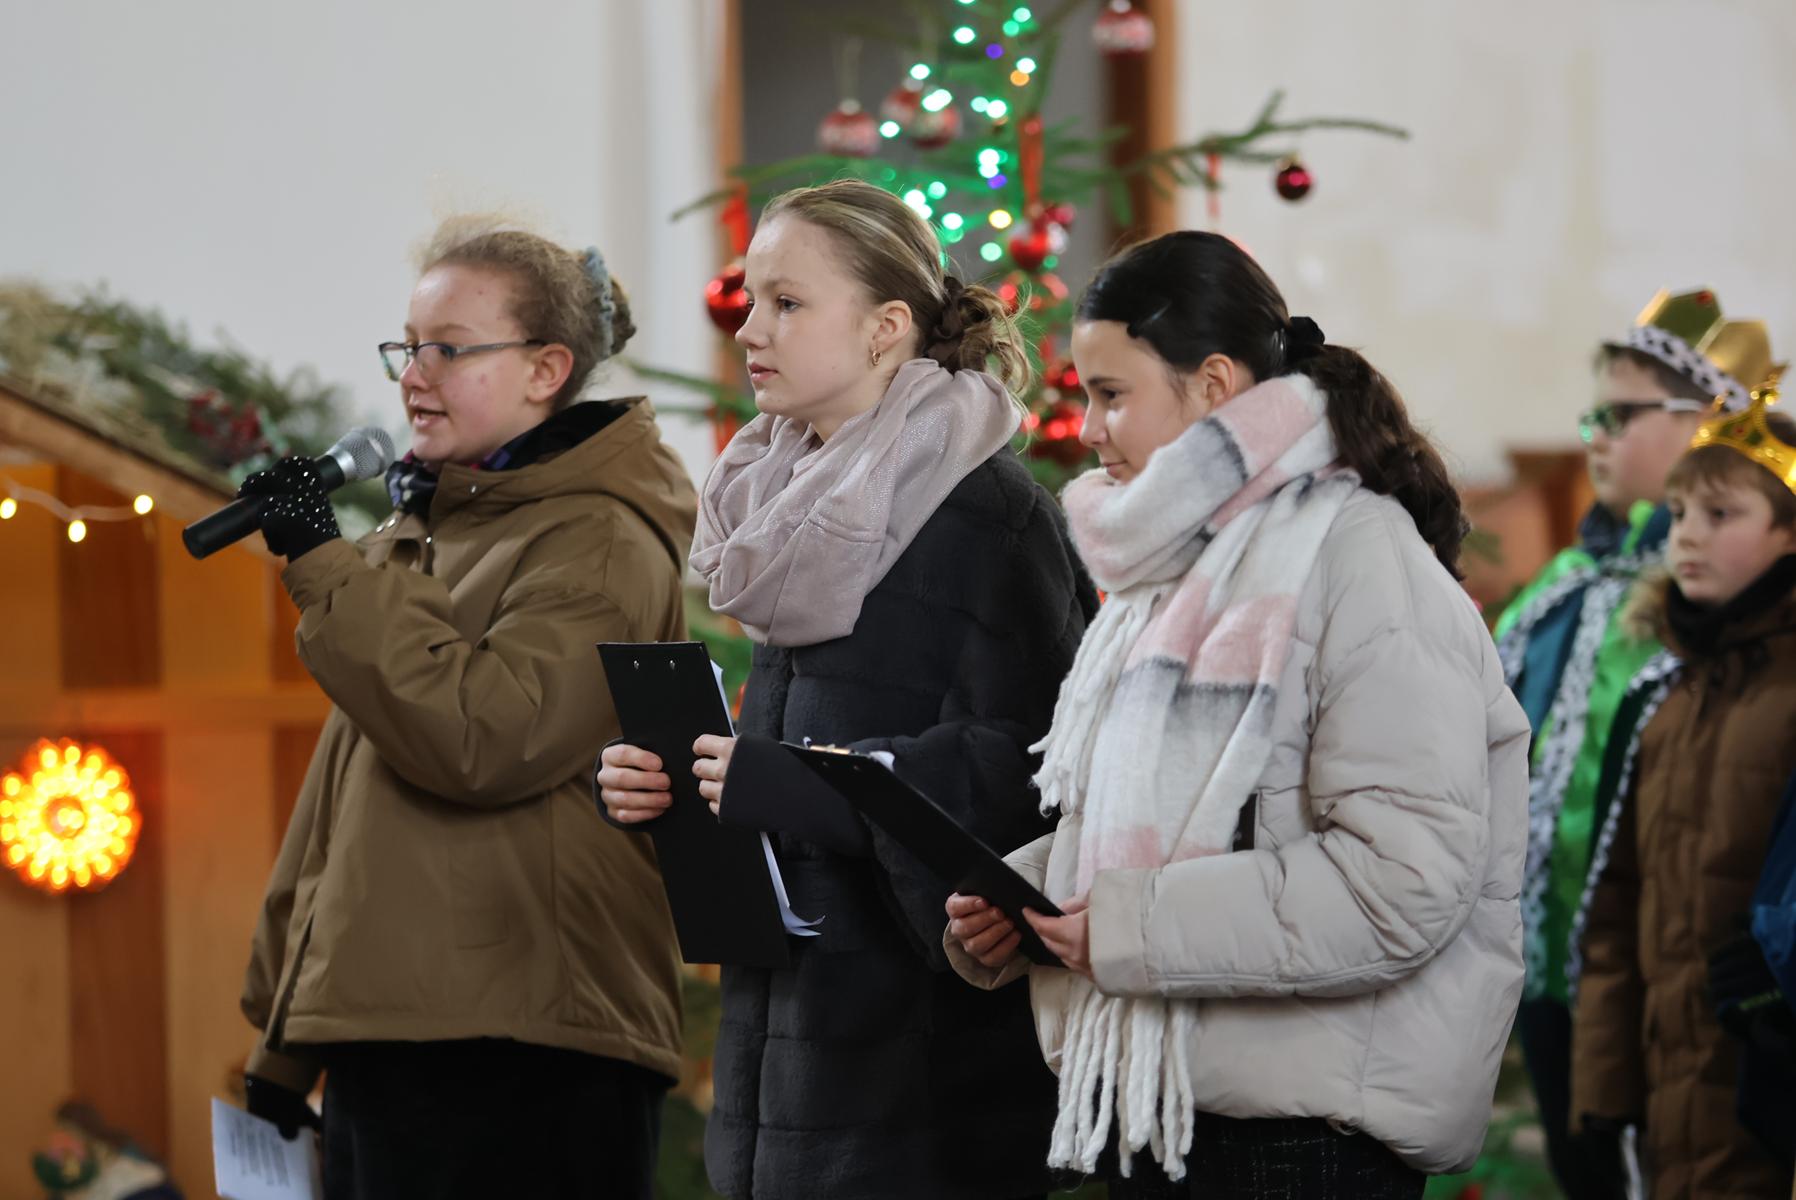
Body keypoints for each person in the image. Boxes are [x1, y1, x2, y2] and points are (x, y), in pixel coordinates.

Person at [945, 230, 1527, 1197]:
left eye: (1112, 394)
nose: (1087, 429)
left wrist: (1128, 929)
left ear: (1214, 385)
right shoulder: (1170, 573)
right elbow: (1172, 825)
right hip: (1162, 1117)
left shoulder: (1359, 561)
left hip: (1304, 1146)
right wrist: (1033, 893)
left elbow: (1401, 883)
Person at [595, 178, 1097, 1200]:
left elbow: (1044, 766)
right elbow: (782, 774)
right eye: (748, 300)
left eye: (785, 303)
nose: (747, 331)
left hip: (921, 1088)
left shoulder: (989, 513)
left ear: (885, 328)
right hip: (783, 1050)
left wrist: (803, 788)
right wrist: (676, 792)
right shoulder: (788, 501)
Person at [237, 217, 697, 1200]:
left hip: (520, 1048)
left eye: (449, 348)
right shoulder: (441, 527)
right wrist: (288, 1043)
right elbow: (349, 818)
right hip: (401, 1032)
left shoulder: (599, 539)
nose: (414, 373)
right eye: (407, 346)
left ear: (545, 369)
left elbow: (487, 738)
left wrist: (325, 564)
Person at [1493, 288, 1775, 1197]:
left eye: (1621, 414)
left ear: (1708, 421)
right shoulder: (1571, 579)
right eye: (1594, 415)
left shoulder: (1713, 608)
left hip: (1672, 979)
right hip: (1548, 964)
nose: (1596, 437)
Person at [1572, 387, 1796, 1198]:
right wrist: (1601, 1091)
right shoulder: (1664, 696)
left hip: (1763, 1086)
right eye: (1676, 511)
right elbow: (1614, 911)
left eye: (1720, 514)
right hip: (1665, 1097)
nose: (1686, 535)